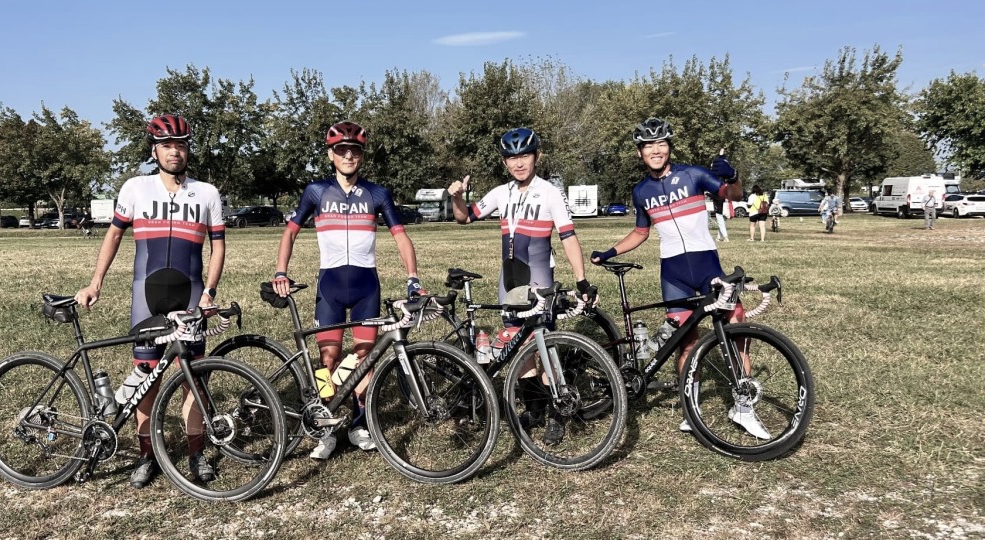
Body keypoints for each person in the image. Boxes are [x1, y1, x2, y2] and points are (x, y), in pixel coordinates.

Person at [589, 117, 769, 440]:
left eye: (661, 144)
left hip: (708, 267)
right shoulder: (641, 191)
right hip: (674, 274)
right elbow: (641, 232)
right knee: (686, 343)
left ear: (669, 147)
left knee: (737, 323)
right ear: (640, 153)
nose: (655, 150)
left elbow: (732, 194)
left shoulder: (693, 175)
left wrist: (733, 176)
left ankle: (743, 408)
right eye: (648, 146)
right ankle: (691, 409)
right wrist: (610, 252)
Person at [75, 114, 226, 488]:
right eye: (167, 145)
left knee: (193, 378)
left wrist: (209, 292)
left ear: (188, 149)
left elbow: (218, 246)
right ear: (154, 151)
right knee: (146, 378)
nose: (175, 152)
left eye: (181, 145)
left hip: (190, 295)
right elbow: (113, 236)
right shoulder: (135, 188)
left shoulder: (207, 193)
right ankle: (147, 455)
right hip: (147, 296)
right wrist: (95, 283)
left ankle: (195, 453)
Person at [272, 121, 425, 460]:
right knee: (327, 359)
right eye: (341, 150)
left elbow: (400, 236)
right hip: (330, 286)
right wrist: (281, 271)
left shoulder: (377, 193)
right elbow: (290, 232)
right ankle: (326, 427)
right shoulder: (316, 191)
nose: (348, 156)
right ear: (331, 155)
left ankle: (359, 424)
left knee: (363, 358)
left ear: (362, 156)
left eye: (354, 150)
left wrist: (413, 276)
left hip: (365, 286)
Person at [447, 127, 594, 445]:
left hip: (539, 277)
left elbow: (568, 237)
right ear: (505, 162)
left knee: (545, 348)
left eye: (524, 155)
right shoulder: (501, 193)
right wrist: (457, 197)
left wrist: (581, 279)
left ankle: (556, 414)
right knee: (518, 347)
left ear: (536, 156)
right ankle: (535, 408)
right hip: (509, 279)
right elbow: (464, 218)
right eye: (512, 158)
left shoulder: (550, 193)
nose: (519, 163)